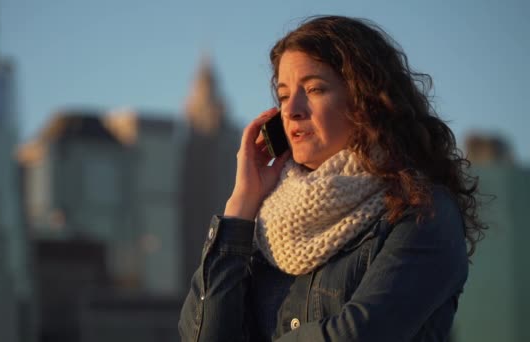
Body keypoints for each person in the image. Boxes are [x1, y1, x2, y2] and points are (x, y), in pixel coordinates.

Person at [179, 15, 486, 342]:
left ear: (365, 100)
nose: (292, 109)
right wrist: (241, 203)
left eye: (314, 89)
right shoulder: (263, 227)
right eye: (283, 96)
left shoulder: (423, 211)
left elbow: (359, 334)